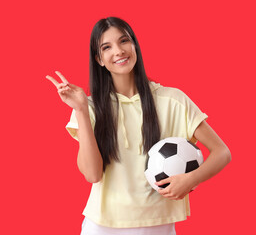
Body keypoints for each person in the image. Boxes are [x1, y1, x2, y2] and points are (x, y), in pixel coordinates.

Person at [46, 17, 231, 235]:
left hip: (158, 224)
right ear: (99, 59)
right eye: (107, 47)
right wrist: (81, 111)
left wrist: (190, 179)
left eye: (124, 41)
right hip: (102, 225)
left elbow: (222, 152)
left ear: (135, 45)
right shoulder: (89, 106)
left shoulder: (173, 100)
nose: (118, 51)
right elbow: (93, 175)